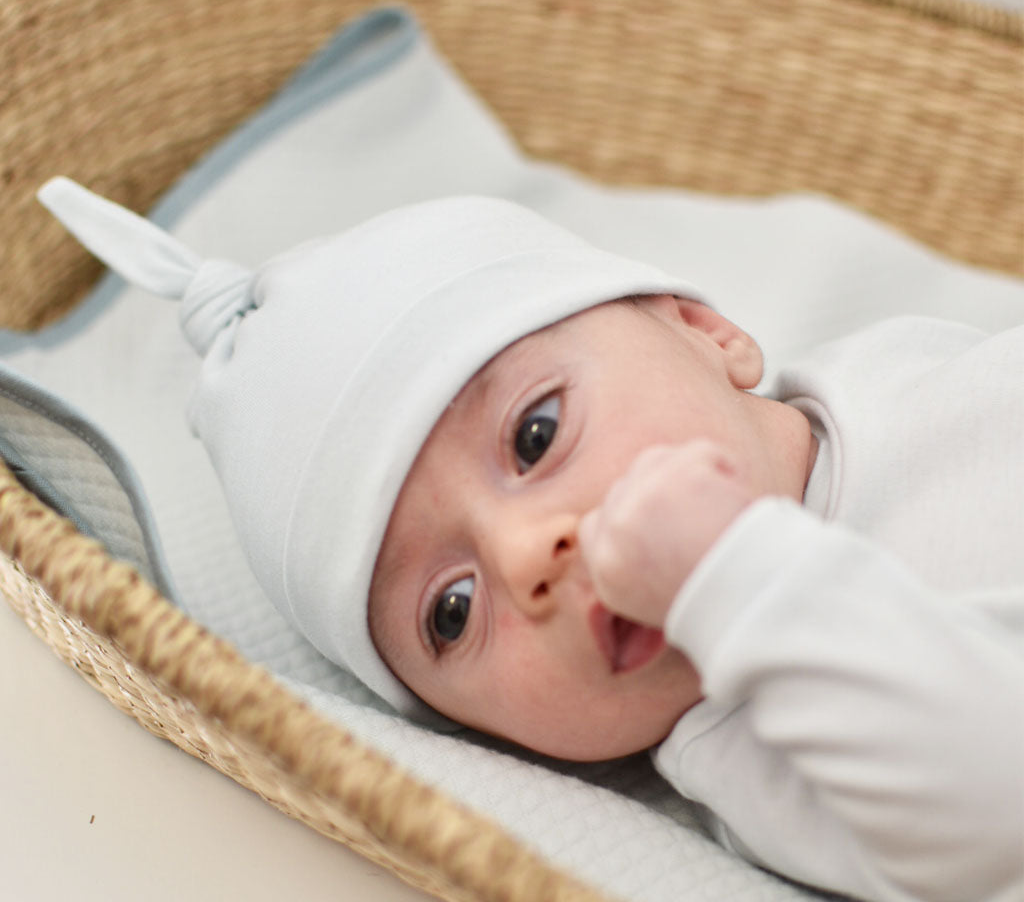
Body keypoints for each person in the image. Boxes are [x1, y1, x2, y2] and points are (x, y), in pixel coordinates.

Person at [39, 178, 1023, 902]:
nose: (524, 556)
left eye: (536, 434)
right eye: (450, 612)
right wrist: (733, 577)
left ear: (706, 329)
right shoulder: (763, 746)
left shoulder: (882, 370)